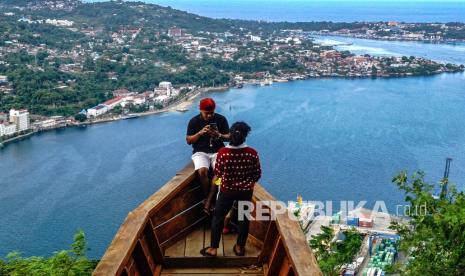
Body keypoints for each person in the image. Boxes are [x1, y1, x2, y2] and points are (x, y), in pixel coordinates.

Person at [200, 121, 261, 257]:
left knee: (218, 218)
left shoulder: (223, 153)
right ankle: (239, 248)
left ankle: (213, 249)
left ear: (230, 135)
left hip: (227, 191)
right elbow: (257, 175)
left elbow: (219, 174)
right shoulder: (252, 153)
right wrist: (247, 183)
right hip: (245, 192)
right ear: (245, 136)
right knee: (243, 218)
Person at [186, 98, 230, 195]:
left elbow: (229, 137)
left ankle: (212, 196)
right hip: (200, 151)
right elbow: (189, 141)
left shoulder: (221, 119)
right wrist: (200, 133)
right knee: (202, 172)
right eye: (207, 113)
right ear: (200, 110)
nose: (209, 115)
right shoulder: (194, 121)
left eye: (212, 113)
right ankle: (207, 195)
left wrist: (219, 135)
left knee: (220, 173)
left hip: (218, 151)